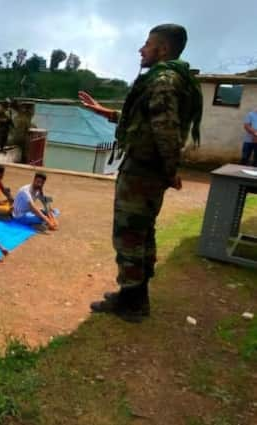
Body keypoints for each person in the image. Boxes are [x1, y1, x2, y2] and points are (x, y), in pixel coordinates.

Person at [79, 24, 203, 320]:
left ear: (162, 49)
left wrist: (171, 170)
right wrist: (103, 111)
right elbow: (144, 122)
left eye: (147, 44)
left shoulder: (162, 80)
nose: (141, 49)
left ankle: (132, 303)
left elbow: (165, 130)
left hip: (143, 172)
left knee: (129, 234)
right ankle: (135, 296)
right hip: (148, 171)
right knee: (142, 232)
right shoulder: (174, 79)